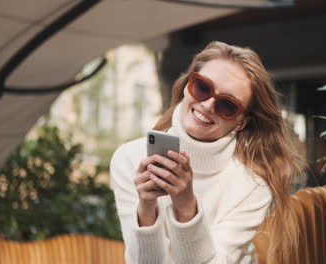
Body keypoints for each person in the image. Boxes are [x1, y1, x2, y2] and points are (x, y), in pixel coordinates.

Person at [110, 41, 306, 264]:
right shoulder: (129, 158)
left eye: (227, 105)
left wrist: (186, 208)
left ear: (241, 123)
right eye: (202, 87)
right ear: (187, 84)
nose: (208, 105)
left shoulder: (252, 185)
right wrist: (146, 208)